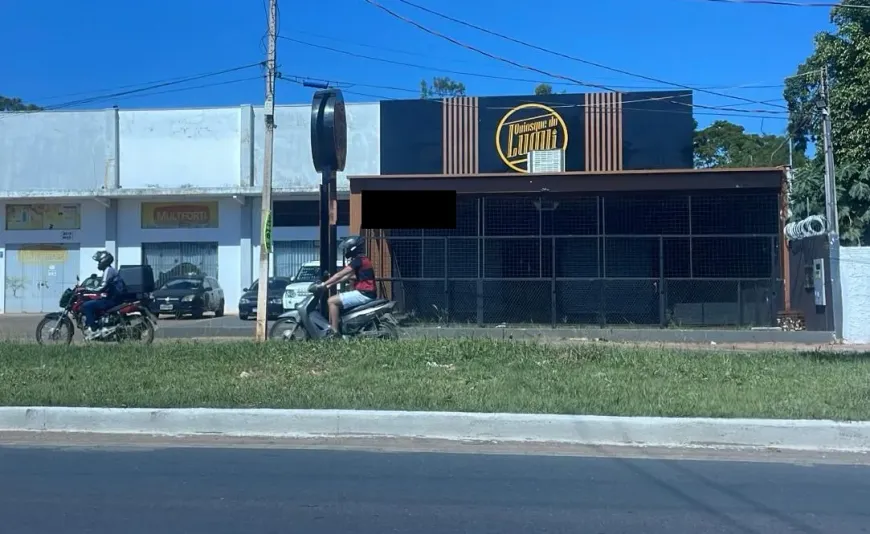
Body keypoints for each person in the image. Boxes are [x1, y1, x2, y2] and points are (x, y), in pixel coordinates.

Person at [319, 236, 377, 336]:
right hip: (367, 292)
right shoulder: (363, 260)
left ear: (353, 249)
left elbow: (339, 274)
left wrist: (324, 283)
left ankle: (334, 332)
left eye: (347, 248)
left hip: (364, 293)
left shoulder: (358, 261)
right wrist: (329, 285)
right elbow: (346, 277)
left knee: (331, 301)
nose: (346, 251)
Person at [81, 250, 126, 340]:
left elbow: (102, 286)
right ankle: (97, 324)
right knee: (94, 303)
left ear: (104, 261)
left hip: (112, 300)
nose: (98, 264)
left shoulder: (108, 271)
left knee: (86, 306)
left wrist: (86, 289)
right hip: (112, 298)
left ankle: (94, 329)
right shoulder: (109, 270)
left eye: (99, 262)